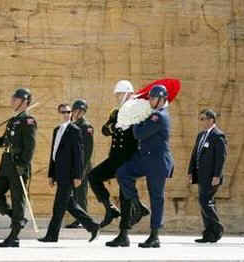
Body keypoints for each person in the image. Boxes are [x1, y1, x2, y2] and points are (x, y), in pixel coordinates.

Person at [106, 85, 174, 248]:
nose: (150, 100)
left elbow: (138, 134)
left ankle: (154, 236)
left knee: (156, 197)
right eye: (149, 98)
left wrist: (136, 120)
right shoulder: (152, 114)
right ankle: (137, 205)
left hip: (157, 161)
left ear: (162, 99)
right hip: (144, 159)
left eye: (153, 98)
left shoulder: (159, 116)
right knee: (123, 173)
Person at [0, 88, 37, 248]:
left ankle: (14, 237)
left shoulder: (28, 120)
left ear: (24, 102)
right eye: (13, 98)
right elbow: (4, 141)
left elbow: (30, 147)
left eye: (16, 98)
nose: (12, 101)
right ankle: (17, 218)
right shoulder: (13, 120)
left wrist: (22, 165)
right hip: (6, 165)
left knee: (18, 200)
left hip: (18, 165)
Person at [88, 80, 149, 228]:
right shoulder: (116, 112)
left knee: (124, 194)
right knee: (93, 176)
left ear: (129, 93)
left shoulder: (137, 112)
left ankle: (124, 230)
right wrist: (113, 127)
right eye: (117, 94)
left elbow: (141, 135)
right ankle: (110, 208)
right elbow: (104, 129)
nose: (118, 97)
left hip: (128, 158)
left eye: (121, 94)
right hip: (114, 157)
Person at [38, 104, 99, 242]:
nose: (65, 114)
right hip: (59, 173)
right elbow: (53, 154)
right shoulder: (56, 130)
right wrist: (51, 174)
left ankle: (52, 235)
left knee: (59, 205)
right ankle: (92, 226)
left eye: (68, 112)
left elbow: (79, 154)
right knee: (69, 204)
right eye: (62, 112)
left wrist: (78, 175)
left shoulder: (75, 130)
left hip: (69, 174)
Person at [188, 109, 227, 243]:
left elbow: (221, 158)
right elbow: (195, 154)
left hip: (211, 176)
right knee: (206, 203)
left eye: (203, 119)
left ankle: (217, 227)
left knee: (205, 202)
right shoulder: (201, 135)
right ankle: (209, 234)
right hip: (201, 175)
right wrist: (191, 171)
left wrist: (217, 175)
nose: (201, 122)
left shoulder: (218, 136)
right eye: (201, 119)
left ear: (211, 120)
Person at [65, 99, 94, 228]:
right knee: (75, 195)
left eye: (80, 111)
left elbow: (88, 150)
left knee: (81, 194)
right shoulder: (72, 125)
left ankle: (84, 221)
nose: (77, 113)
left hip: (82, 167)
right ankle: (79, 219)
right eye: (76, 110)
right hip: (72, 165)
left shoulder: (87, 127)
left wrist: (81, 171)